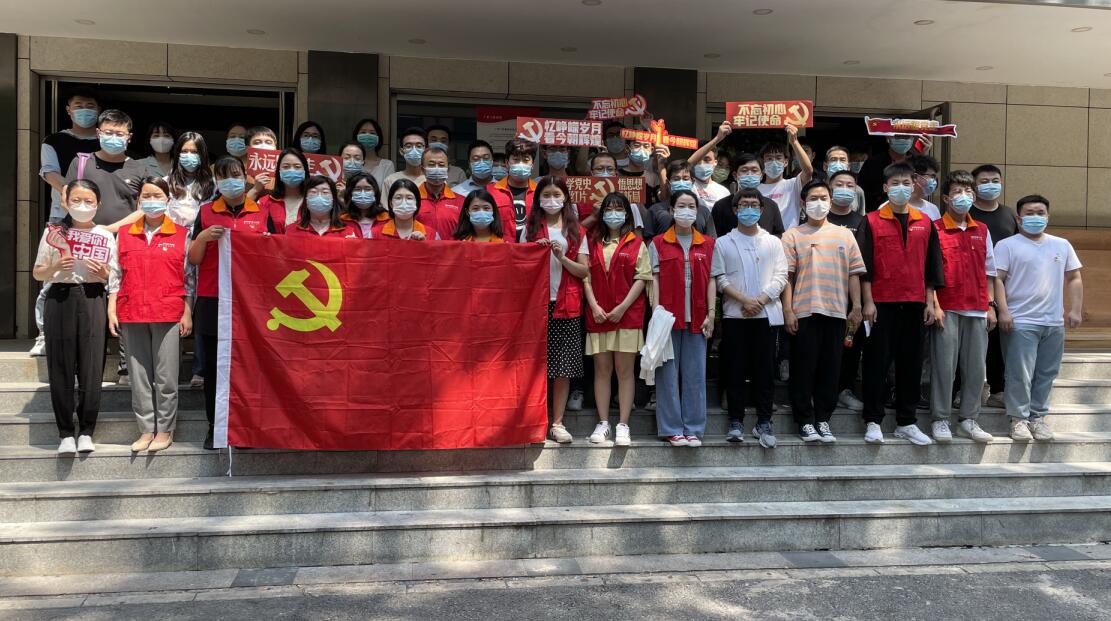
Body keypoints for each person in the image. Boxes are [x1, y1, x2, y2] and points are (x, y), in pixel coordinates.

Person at [189, 156, 277, 449]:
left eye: (236, 174)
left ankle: (245, 429)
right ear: (217, 181)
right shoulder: (205, 212)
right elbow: (193, 259)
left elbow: (277, 257)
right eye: (224, 176)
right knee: (215, 368)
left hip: (251, 303)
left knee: (249, 366)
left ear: (245, 177)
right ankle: (215, 428)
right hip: (213, 299)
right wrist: (203, 238)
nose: (231, 181)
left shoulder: (261, 212)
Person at [856, 161, 944, 445]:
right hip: (881, 303)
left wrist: (930, 301)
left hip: (915, 303)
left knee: (911, 364)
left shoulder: (925, 222)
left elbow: (932, 267)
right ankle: (873, 420)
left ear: (914, 185)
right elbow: (864, 267)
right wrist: (868, 302)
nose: (901, 188)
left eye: (906, 183)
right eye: (895, 184)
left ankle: (907, 421)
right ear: (885, 188)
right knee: (876, 363)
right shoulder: (871, 221)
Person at [33, 179, 118, 455]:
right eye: (76, 200)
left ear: (98, 204)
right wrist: (56, 266)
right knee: (61, 365)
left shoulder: (104, 235)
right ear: (66, 202)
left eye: (88, 201)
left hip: (93, 297)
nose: (82, 206)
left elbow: (115, 276)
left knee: (92, 366)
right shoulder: (54, 232)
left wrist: (104, 274)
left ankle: (87, 430)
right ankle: (65, 432)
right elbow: (37, 272)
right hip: (60, 297)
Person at [108, 177, 191, 453]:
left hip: (168, 311)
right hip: (132, 311)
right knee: (139, 376)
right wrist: (112, 309)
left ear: (168, 200)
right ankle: (146, 429)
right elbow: (115, 275)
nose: (151, 200)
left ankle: (165, 429)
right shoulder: (124, 234)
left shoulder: (182, 234)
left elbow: (190, 277)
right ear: (138, 200)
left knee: (166, 377)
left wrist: (188, 311)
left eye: (157, 195)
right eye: (146, 195)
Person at [782, 181, 865, 443]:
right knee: (803, 369)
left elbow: (854, 274)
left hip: (837, 311)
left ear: (830, 201)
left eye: (823, 198)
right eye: (813, 198)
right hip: (804, 311)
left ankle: (823, 419)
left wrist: (857, 307)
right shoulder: (792, 235)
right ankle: (805, 421)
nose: (819, 203)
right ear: (803, 203)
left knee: (831, 369)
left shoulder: (845, 235)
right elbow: (787, 277)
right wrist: (788, 310)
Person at [995, 194, 1083, 442]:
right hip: (1020, 320)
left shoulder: (1061, 245)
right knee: (1019, 373)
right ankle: (1018, 419)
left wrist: (1075, 309)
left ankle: (1038, 417)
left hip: (1053, 322)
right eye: (1030, 213)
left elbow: (1074, 277)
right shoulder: (1007, 245)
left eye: (1040, 213)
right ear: (1018, 218)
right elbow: (997, 279)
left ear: (1048, 216)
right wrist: (1003, 310)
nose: (1035, 217)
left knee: (1047, 372)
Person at [31, 86, 102, 357]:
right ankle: (44, 334)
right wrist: (73, 195)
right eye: (79, 105)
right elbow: (49, 172)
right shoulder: (54, 141)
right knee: (54, 274)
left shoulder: (104, 140)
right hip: (61, 217)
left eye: (90, 105)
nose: (85, 110)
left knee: (95, 273)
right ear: (68, 110)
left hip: (95, 219)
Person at [712, 188, 786, 447]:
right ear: (735, 210)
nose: (749, 209)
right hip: (735, 315)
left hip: (766, 315)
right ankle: (735, 421)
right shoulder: (723, 243)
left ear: (762, 210)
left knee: (764, 370)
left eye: (754, 205)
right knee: (735, 369)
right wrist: (744, 300)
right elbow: (720, 279)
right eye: (744, 205)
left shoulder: (773, 242)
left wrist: (760, 300)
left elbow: (781, 276)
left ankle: (764, 421)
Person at [928, 170, 998, 444]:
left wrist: (990, 305)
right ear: (946, 198)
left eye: (969, 192)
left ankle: (969, 420)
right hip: (947, 307)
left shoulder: (982, 230)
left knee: (976, 369)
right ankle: (940, 419)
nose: (964, 196)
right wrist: (933, 304)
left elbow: (989, 271)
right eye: (958, 191)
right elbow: (928, 272)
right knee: (944, 367)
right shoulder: (935, 228)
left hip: (977, 307)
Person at [522, 177, 590, 444]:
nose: (552, 200)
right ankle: (534, 420)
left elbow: (584, 271)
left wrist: (562, 258)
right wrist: (532, 251)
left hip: (565, 305)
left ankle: (557, 423)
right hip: (534, 306)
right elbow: (518, 268)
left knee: (562, 368)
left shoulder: (576, 231)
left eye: (557, 195)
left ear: (565, 199)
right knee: (534, 365)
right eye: (546, 195)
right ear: (538, 199)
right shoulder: (529, 230)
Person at [650, 190, 717, 447]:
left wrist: (711, 314)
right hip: (668, 317)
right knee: (667, 374)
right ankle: (671, 428)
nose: (686, 210)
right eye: (681, 205)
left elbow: (712, 280)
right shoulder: (658, 243)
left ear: (697, 211)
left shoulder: (708, 244)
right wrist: (656, 313)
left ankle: (694, 428)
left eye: (691, 206)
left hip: (698, 317)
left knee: (695, 375)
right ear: (671, 210)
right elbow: (654, 279)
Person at [583, 193, 650, 447]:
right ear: (602, 214)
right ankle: (603, 423)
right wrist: (594, 306)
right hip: (599, 315)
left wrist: (622, 308)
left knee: (624, 372)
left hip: (627, 316)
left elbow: (642, 278)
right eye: (609, 209)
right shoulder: (592, 242)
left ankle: (623, 424)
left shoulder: (636, 243)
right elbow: (585, 276)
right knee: (602, 371)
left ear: (627, 214)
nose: (614, 213)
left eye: (619, 209)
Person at [969, 164, 1018, 410]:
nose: (991, 185)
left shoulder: (1009, 214)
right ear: (974, 186)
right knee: (970, 342)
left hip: (1003, 287)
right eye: (984, 181)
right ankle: (964, 390)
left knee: (998, 341)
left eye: (995, 180)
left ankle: (998, 389)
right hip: (970, 285)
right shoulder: (966, 212)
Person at [62, 109, 148, 231]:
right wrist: (90, 229)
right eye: (108, 133)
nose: (113, 138)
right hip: (86, 236)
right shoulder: (81, 162)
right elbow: (66, 200)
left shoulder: (139, 169)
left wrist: (108, 230)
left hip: (123, 238)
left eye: (119, 134)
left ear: (129, 137)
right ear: (98, 133)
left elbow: (143, 210)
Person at [826, 170, 867, 412]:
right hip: (822, 294)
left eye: (849, 185)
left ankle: (845, 389)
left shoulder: (863, 222)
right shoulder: (818, 218)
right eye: (839, 184)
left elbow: (863, 265)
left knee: (850, 346)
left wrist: (861, 302)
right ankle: (821, 390)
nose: (844, 189)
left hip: (853, 297)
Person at [709, 154, 785, 238]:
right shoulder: (721, 206)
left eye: (754, 170)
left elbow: (778, 235)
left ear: (762, 175)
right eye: (744, 170)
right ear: (735, 175)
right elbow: (714, 237)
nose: (749, 174)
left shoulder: (771, 206)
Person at [756, 123, 813, 230]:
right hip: (762, 238)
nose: (774, 162)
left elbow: (808, 171)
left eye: (778, 158)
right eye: (769, 158)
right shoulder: (756, 189)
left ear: (786, 162)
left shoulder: (793, 184)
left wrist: (794, 142)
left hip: (788, 238)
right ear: (763, 162)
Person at [858, 135, 930, 212]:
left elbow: (924, 188)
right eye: (898, 136)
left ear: (912, 138)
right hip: (879, 213)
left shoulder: (917, 163)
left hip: (912, 213)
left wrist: (923, 157)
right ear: (888, 137)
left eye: (906, 137)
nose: (902, 139)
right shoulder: (873, 163)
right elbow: (863, 194)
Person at [645, 161, 715, 238]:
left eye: (685, 179)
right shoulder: (655, 210)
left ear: (692, 182)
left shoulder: (704, 212)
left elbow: (711, 240)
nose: (681, 182)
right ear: (668, 183)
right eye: (676, 179)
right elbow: (648, 240)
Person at [488, 138, 537, 241]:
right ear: (507, 163)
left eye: (526, 160)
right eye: (516, 159)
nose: (521, 164)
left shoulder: (540, 192)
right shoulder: (490, 191)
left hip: (531, 249)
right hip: (501, 248)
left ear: (532, 164)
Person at [286, 175, 361, 238]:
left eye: (325, 192)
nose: (319, 196)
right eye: (313, 192)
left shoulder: (348, 232)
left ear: (333, 199)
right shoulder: (291, 231)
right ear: (306, 199)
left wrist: (353, 245)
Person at [418, 146, 464, 241]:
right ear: (422, 169)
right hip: (421, 249)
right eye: (431, 165)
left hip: (452, 250)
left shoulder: (461, 201)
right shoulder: (413, 200)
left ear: (447, 169)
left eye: (441, 165)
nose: (437, 168)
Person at [257, 148, 308, 228]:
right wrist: (255, 190)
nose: (292, 170)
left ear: (305, 171)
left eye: (297, 167)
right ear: (279, 171)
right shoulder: (264, 202)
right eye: (286, 167)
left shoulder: (313, 202)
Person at [821, 146, 866, 214]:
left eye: (842, 160)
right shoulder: (815, 189)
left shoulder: (857, 191)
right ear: (825, 166)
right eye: (833, 160)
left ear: (849, 167)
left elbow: (861, 217)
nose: (838, 164)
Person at [353, 118, 395, 190]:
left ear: (378, 138)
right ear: (356, 136)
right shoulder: (351, 163)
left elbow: (389, 192)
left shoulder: (387, 165)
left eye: (372, 133)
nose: (367, 135)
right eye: (363, 132)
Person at [341, 172, 385, 238]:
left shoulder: (387, 219)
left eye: (368, 189)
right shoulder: (341, 220)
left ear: (375, 192)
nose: (363, 194)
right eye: (357, 189)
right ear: (350, 193)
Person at [908, 154, 942, 221]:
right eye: (932, 176)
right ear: (915, 177)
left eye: (934, 177)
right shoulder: (895, 207)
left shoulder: (933, 209)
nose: (934, 181)